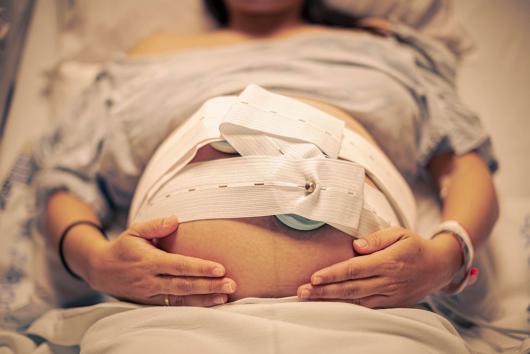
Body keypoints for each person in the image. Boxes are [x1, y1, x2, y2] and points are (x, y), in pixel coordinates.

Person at [43, 0, 498, 308]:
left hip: (375, 314)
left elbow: (464, 162)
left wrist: (444, 259)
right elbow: (68, 183)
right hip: (169, 318)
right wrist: (97, 263)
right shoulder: (144, 58)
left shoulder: (382, 47)